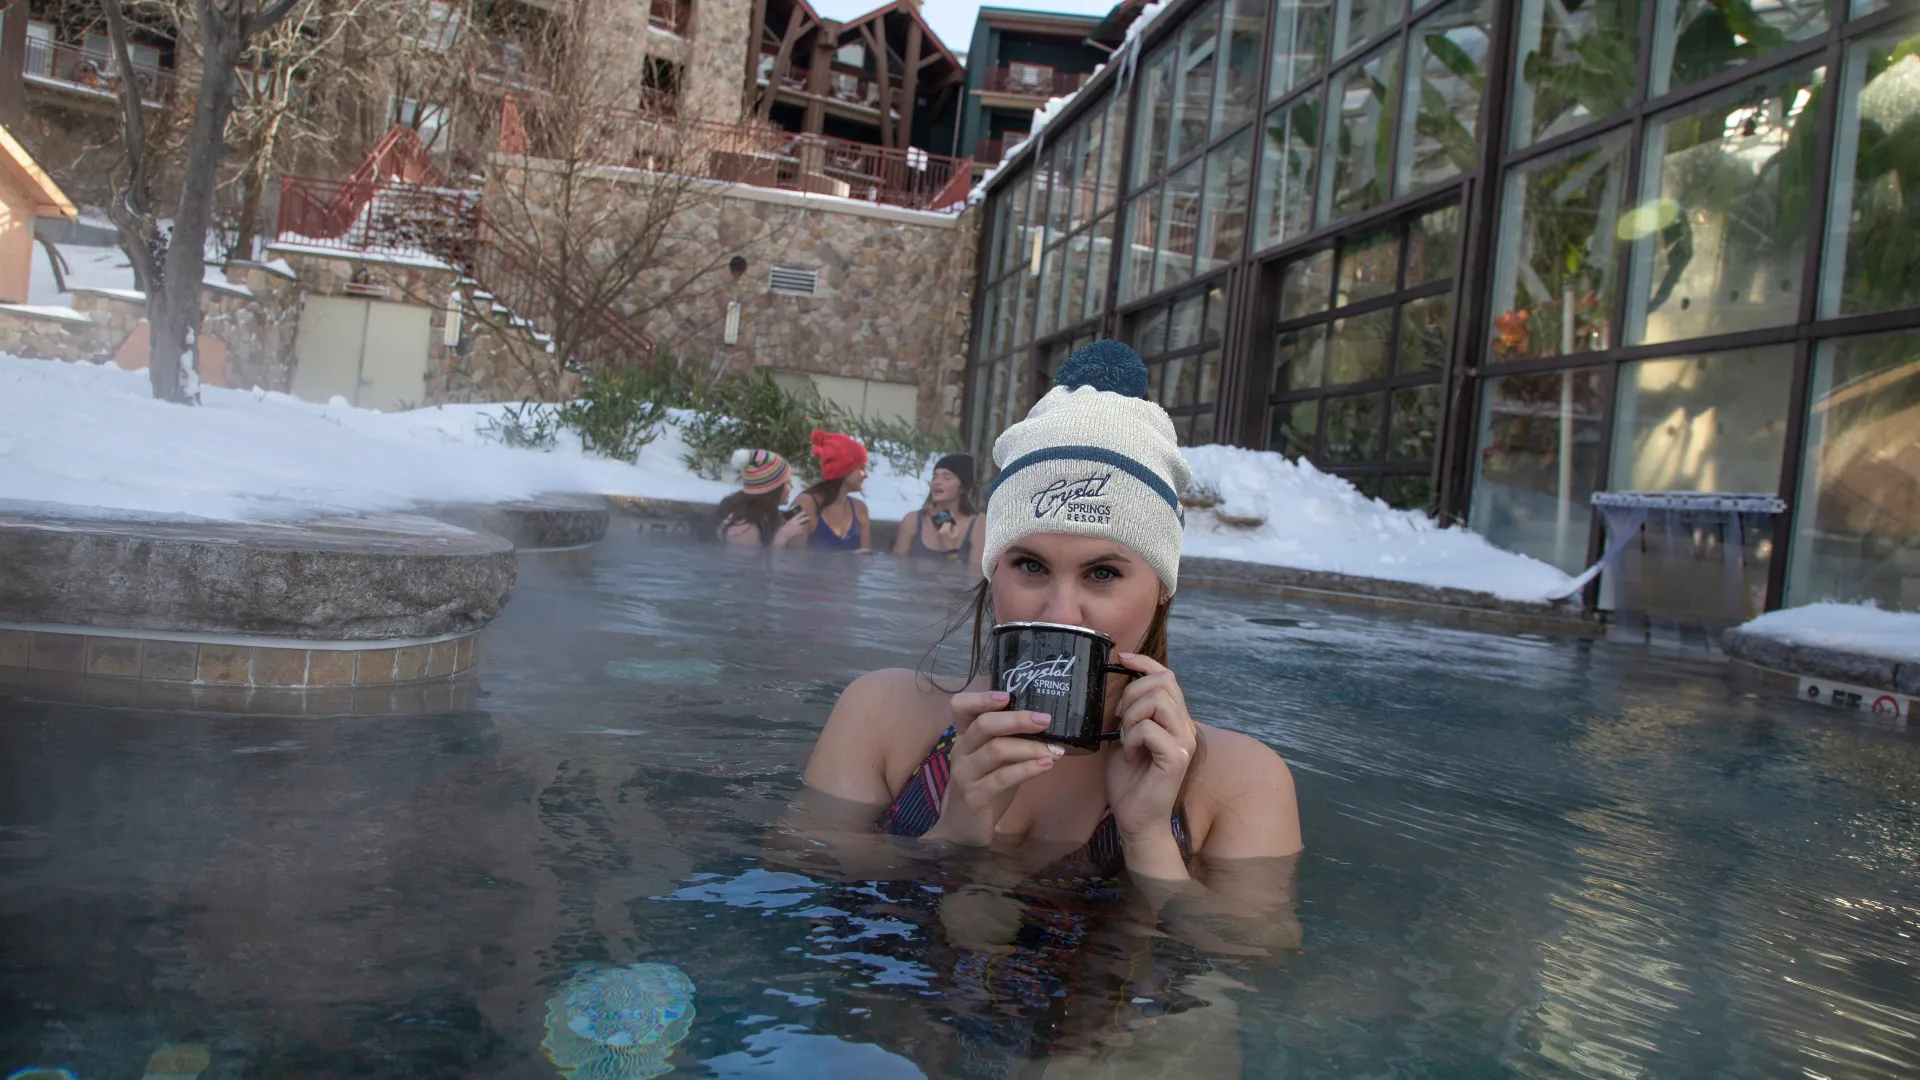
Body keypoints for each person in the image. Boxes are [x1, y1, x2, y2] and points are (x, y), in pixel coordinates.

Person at [795, 339, 1302, 1074]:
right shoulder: (884, 715)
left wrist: (1149, 837)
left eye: (1103, 572)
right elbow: (798, 865)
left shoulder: (1234, 779)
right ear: (992, 565)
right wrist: (954, 833)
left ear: (1160, 585)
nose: (1063, 609)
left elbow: (1257, 951)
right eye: (1029, 564)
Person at [708, 449, 812, 548]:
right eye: (787, 483)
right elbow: (753, 566)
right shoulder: (743, 529)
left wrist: (782, 523)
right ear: (773, 489)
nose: (791, 487)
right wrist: (782, 536)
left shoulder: (762, 514)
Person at [890, 453, 984, 563]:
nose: (937, 482)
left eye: (947, 477)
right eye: (935, 477)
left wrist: (949, 549)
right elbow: (897, 572)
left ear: (963, 487)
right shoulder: (912, 521)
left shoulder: (979, 524)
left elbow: (976, 578)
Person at [794, 429, 872, 554]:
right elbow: (790, 559)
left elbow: (865, 561)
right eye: (861, 468)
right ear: (844, 470)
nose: (866, 475)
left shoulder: (860, 510)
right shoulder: (806, 505)